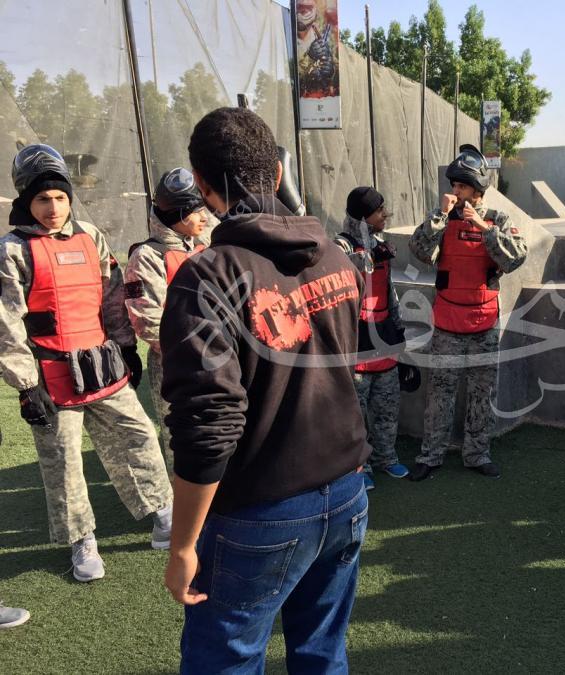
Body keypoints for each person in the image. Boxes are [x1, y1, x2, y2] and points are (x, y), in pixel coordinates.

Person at [161, 107, 370, 673]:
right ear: (277, 172)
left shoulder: (207, 275)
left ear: (201, 185)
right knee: (323, 652)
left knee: (226, 659)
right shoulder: (335, 255)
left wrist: (182, 545)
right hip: (348, 490)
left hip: (262, 506)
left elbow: (209, 422)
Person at [0, 145, 173, 582]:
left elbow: (112, 296)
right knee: (63, 460)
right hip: (51, 375)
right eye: (43, 199)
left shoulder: (90, 236)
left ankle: (163, 516)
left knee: (138, 434)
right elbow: (6, 322)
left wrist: (125, 347)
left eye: (60, 197)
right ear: (26, 200)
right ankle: (83, 541)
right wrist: (26, 385)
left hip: (102, 365)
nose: (53, 208)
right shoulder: (13, 250)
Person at [408, 145, 527, 481]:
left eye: (461, 186)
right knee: (440, 393)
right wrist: (439, 216)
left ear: (477, 189)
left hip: (484, 324)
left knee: (481, 393)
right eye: (454, 186)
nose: (455, 192)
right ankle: (431, 456)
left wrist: (484, 228)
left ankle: (477, 455)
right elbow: (419, 251)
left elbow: (515, 258)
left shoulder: (498, 220)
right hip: (447, 322)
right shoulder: (442, 219)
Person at [124, 168, 210, 474]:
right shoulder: (147, 256)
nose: (204, 217)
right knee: (181, 438)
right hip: (176, 363)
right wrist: (195, 350)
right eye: (196, 211)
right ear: (177, 213)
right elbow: (147, 319)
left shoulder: (201, 247)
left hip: (215, 358)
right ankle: (184, 499)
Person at [335, 187, 412, 490]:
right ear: (363, 216)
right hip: (356, 343)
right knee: (357, 414)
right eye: (379, 211)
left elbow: (389, 292)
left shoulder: (381, 245)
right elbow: (340, 275)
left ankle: (386, 458)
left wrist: (399, 330)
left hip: (384, 339)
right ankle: (360, 466)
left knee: (387, 407)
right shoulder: (341, 245)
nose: (385, 215)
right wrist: (365, 256)